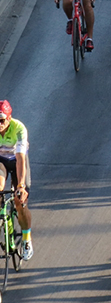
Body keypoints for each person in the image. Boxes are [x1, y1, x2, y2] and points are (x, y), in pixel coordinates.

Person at [0, 101, 32, 260]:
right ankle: (6, 223)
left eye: (1, 120)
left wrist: (20, 185)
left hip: (16, 160)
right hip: (1, 161)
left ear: (9, 118)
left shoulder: (19, 128)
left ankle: (26, 239)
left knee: (20, 202)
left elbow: (20, 159)